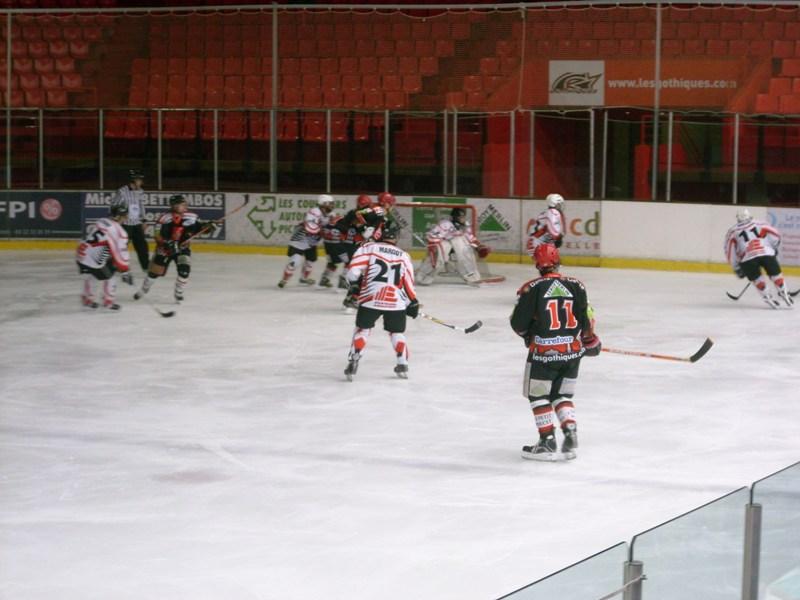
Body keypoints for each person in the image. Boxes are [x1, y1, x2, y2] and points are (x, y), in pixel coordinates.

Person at [509, 243, 600, 461]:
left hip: (543, 354)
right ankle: (569, 429)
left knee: (538, 395)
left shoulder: (531, 288)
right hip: (572, 354)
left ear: (537, 265)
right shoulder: (577, 285)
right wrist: (589, 339)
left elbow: (518, 323)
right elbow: (588, 316)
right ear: (558, 260)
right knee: (562, 395)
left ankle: (547, 441)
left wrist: (528, 335)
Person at [342, 222, 419, 381]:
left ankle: (354, 359)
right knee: (396, 332)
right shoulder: (404, 255)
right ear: (396, 237)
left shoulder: (369, 248)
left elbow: (352, 273)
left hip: (370, 298)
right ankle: (402, 363)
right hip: (395, 300)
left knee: (362, 330)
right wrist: (413, 301)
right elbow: (409, 283)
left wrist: (355, 286)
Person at [134, 194, 216, 303]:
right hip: (165, 249)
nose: (184, 206)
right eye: (181, 204)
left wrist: (208, 228)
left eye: (183, 204)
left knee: (184, 271)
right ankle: (144, 289)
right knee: (154, 273)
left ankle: (179, 292)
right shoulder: (164, 218)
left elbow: (200, 229)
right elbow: (157, 235)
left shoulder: (192, 217)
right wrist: (166, 243)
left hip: (182, 248)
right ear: (174, 206)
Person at [725, 208, 793, 308]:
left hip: (747, 258)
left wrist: (736, 267)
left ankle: (767, 296)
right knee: (776, 275)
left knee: (757, 279)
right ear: (749, 215)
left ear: (738, 218)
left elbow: (729, 251)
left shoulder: (732, 231)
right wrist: (774, 247)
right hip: (766, 253)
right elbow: (776, 234)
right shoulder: (760, 223)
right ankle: (783, 291)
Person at [76, 204, 132, 310]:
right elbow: (120, 254)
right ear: (119, 216)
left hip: (81, 254)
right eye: (124, 215)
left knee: (95, 274)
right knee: (110, 276)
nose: (126, 218)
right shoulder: (120, 232)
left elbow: (105, 243)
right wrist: (125, 271)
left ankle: (87, 298)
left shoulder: (102, 221)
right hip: (92, 260)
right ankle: (108, 301)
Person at [417, 207, 491, 285]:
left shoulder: (465, 225)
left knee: (464, 248)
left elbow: (470, 237)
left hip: (457, 245)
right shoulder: (445, 224)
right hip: (444, 242)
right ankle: (424, 276)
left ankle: (471, 275)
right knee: (439, 257)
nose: (463, 219)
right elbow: (432, 236)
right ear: (455, 217)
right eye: (461, 217)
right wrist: (433, 248)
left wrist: (479, 245)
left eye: (463, 216)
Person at [278, 194, 335, 288]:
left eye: (332, 204)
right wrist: (323, 231)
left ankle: (303, 279)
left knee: (311, 260)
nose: (332, 206)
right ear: (323, 203)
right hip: (299, 240)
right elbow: (311, 227)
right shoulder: (314, 212)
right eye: (330, 203)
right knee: (295, 261)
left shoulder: (330, 215)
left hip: (312, 242)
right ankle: (284, 279)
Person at [110, 169, 149, 273]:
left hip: (137, 224)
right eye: (139, 180)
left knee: (142, 247)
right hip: (125, 225)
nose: (141, 182)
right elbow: (113, 206)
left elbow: (141, 206)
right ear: (133, 180)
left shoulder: (140, 191)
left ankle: (146, 267)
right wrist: (119, 216)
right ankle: (113, 266)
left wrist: (144, 220)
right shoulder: (122, 192)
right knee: (121, 247)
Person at [526, 193, 565, 257]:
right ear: (555, 204)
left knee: (551, 264)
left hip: (533, 243)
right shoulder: (553, 212)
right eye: (559, 204)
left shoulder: (546, 212)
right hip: (537, 245)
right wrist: (557, 237)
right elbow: (551, 227)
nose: (560, 206)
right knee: (550, 264)